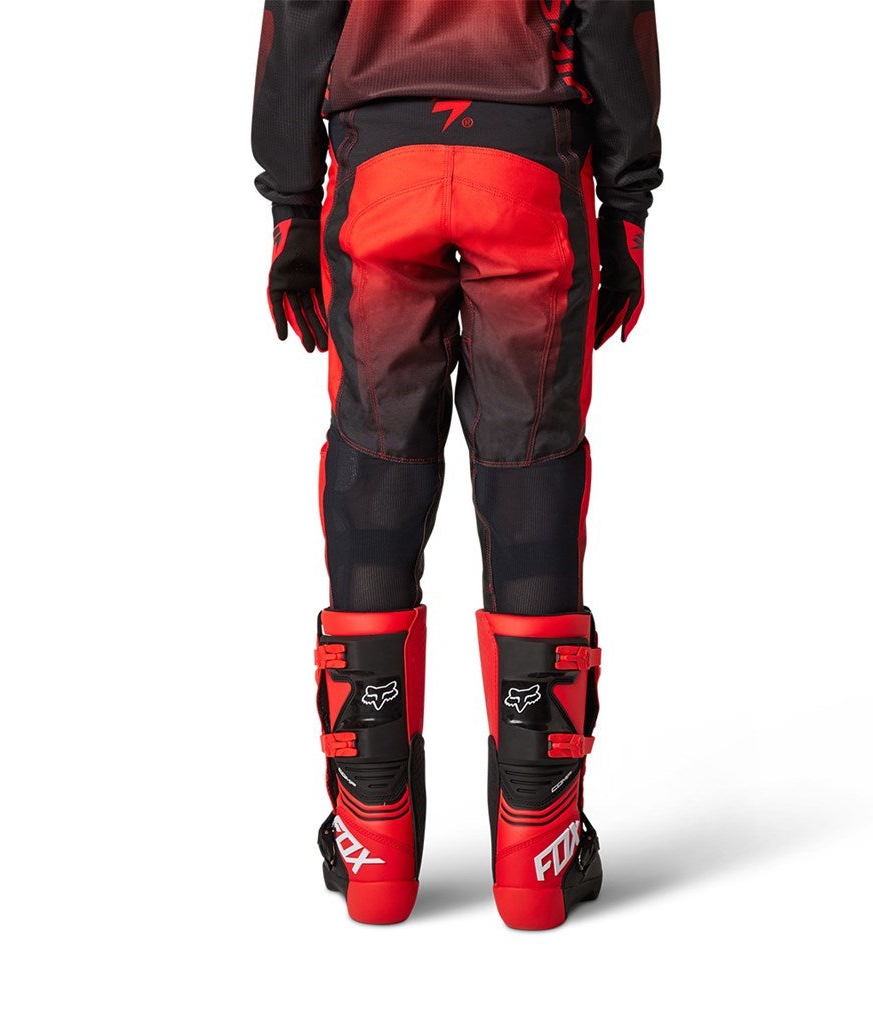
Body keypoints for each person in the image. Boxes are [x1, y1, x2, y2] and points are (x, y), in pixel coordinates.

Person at [252, 0, 661, 930]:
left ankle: (374, 852)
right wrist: (627, 207)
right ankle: (538, 857)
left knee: (373, 468)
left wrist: (292, 207)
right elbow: (612, 15)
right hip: (528, 158)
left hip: (380, 162)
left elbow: (300, 14)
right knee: (532, 472)